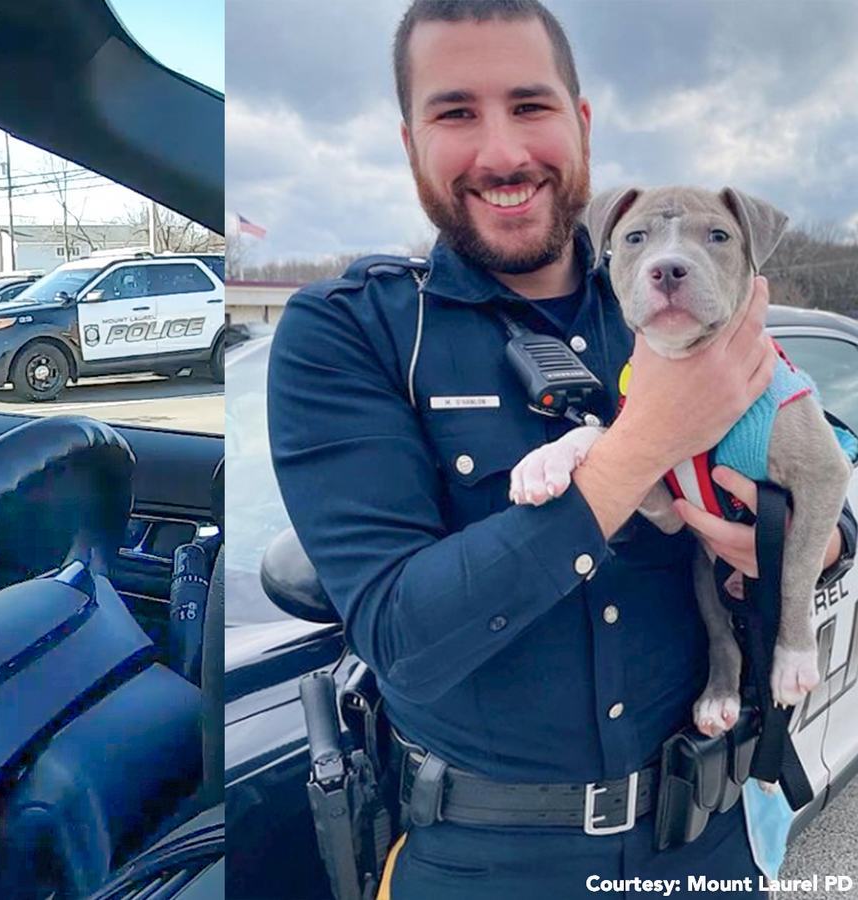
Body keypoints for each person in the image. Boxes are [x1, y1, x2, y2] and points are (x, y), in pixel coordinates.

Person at [267, 2, 857, 898]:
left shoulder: (695, 301)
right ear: (409, 139)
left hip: (707, 838)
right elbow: (399, 636)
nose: (503, 153)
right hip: (482, 861)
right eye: (456, 112)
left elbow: (815, 453)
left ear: (580, 124)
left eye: (531, 106)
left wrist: (825, 542)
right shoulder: (351, 332)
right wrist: (644, 442)